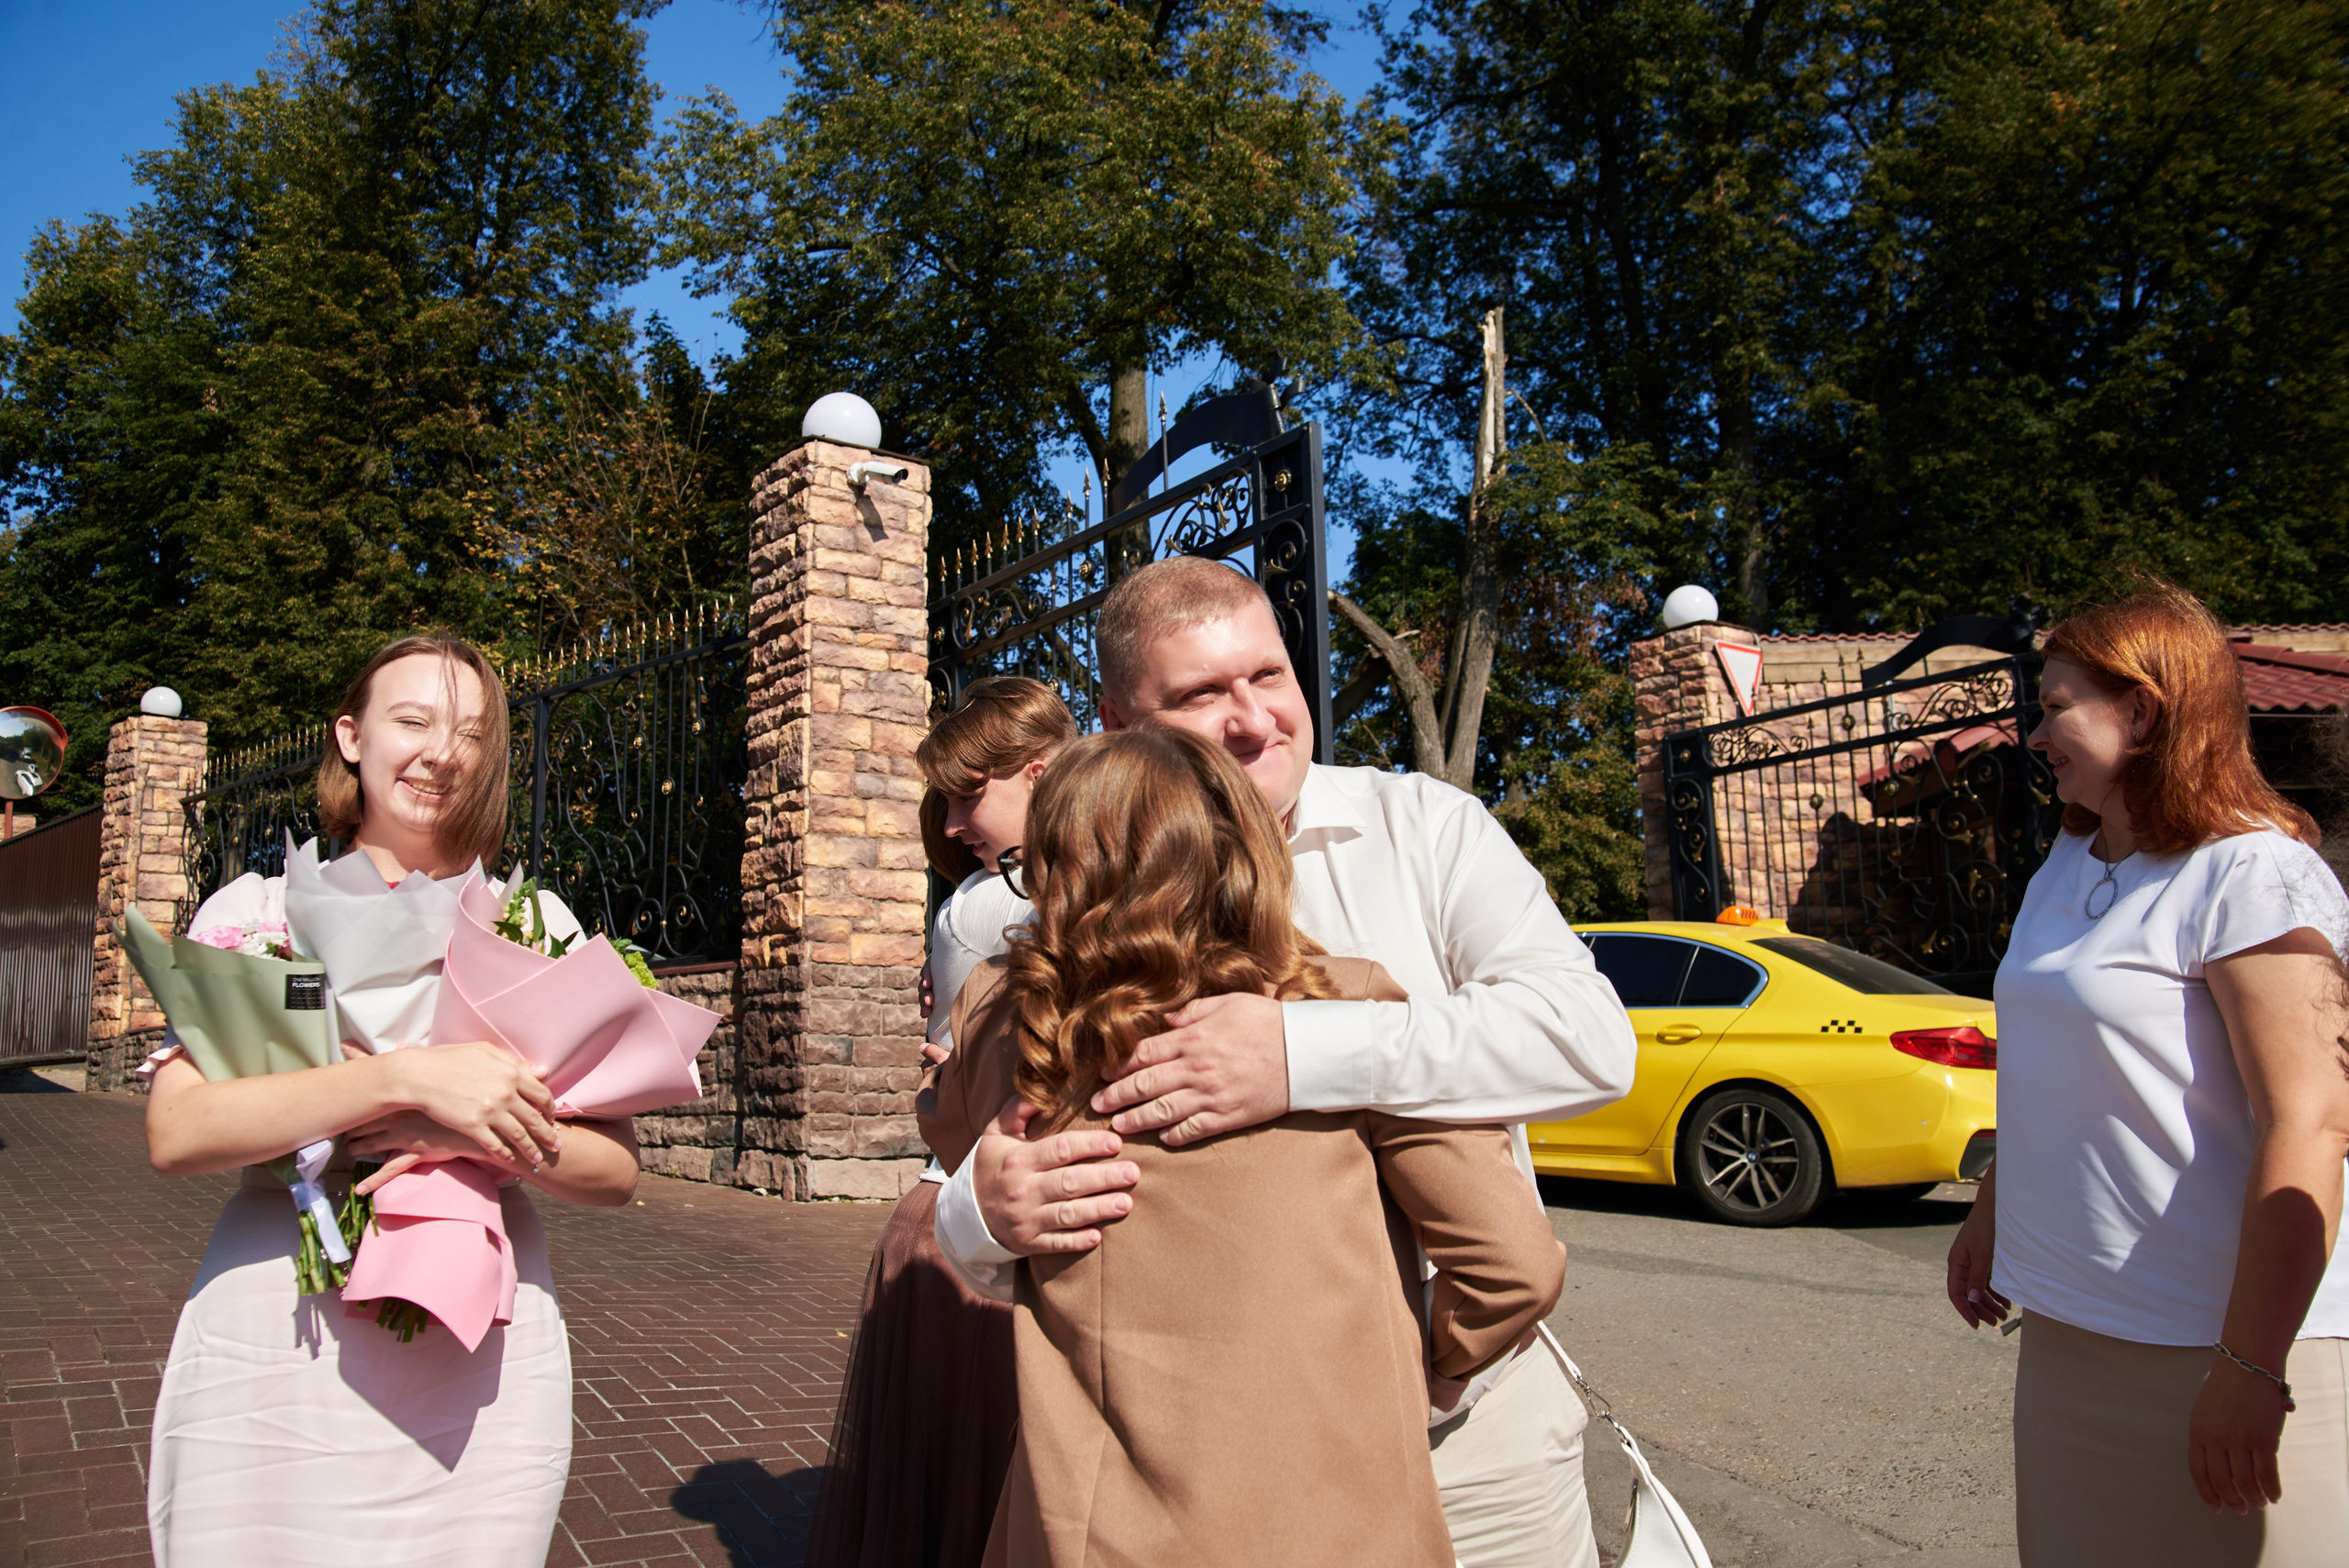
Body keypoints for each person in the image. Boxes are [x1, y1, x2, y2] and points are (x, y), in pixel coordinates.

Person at [930, 557, 1639, 1567]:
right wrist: (976, 1212)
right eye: (1201, 694)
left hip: (1471, 1444)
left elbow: (1590, 1039)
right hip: (1146, 1479)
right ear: (1118, 716)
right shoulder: (1040, 916)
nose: (1255, 718)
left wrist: (1301, 1050)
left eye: (1268, 675)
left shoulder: (1427, 828)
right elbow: (963, 1146)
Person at [142, 633, 641, 1568]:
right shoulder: (256, 910)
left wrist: (467, 1134)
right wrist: (400, 1079)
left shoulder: (541, 925)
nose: (439, 752)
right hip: (277, 1335)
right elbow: (176, 1130)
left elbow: (614, 1171)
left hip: (478, 1344)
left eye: (471, 732)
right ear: (350, 736)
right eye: (411, 720)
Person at [1943, 583, 2349, 1565]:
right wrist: (1994, 1201)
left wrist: (2250, 1364)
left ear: (2142, 707)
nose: (2037, 735)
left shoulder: (2251, 871)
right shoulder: (2068, 860)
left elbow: (2311, 1118)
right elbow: (2064, 1060)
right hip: (2071, 1341)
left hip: (2229, 1344)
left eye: (2054, 707)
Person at [807, 676, 1074, 1568]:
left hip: (953, 1216)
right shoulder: (998, 904)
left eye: (968, 794)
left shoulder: (989, 901)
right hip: (982, 1223)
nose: (952, 823)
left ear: (1037, 773)